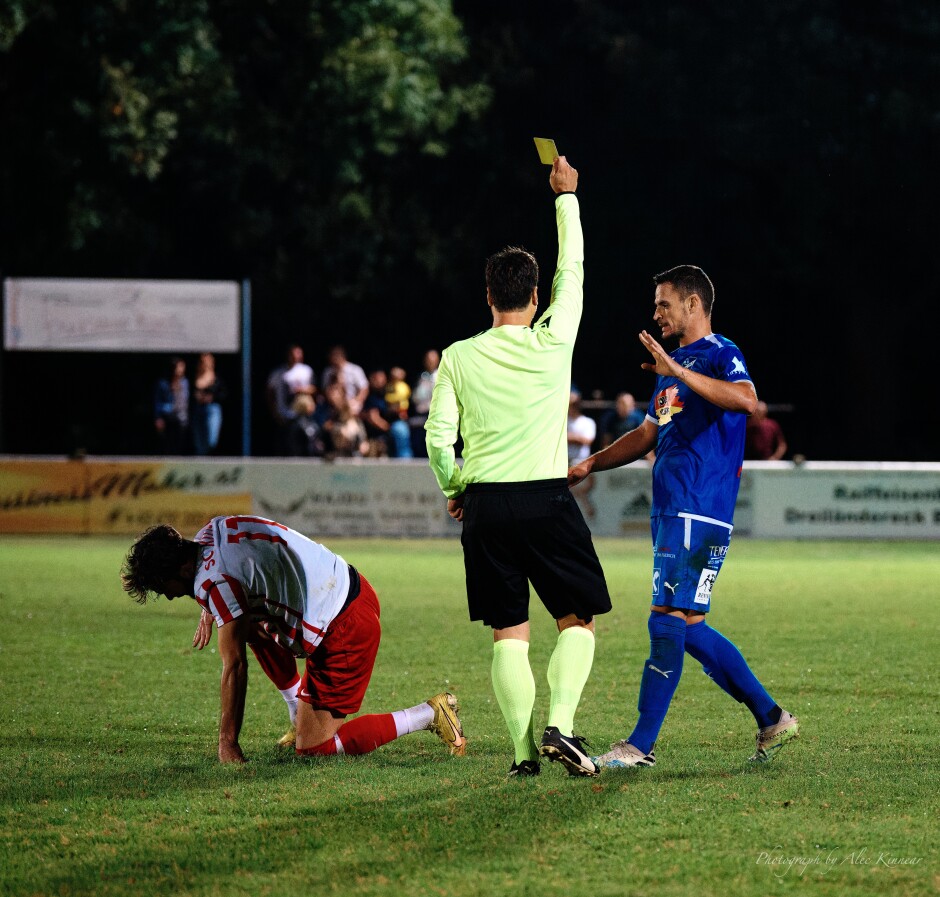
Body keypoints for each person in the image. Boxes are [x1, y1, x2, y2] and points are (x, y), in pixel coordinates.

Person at [568, 265, 799, 770]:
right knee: (688, 624)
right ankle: (771, 717)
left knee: (665, 620)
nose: (656, 313)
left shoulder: (720, 353)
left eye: (663, 304)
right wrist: (591, 463)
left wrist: (680, 372)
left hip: (699, 505)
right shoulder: (676, 365)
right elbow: (648, 434)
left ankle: (638, 746)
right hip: (674, 506)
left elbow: (747, 401)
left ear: (693, 304)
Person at [425, 156, 611, 778]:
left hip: (485, 508)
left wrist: (457, 487)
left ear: (487, 296)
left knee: (510, 632)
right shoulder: (553, 339)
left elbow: (436, 437)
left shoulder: (456, 356)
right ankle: (560, 722)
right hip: (545, 500)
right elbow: (575, 272)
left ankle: (523, 755)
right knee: (577, 618)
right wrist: (567, 199)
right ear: (536, 297)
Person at [120, 516, 466, 763]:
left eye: (162, 587)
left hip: (344, 628)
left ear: (181, 570)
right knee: (248, 624)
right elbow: (231, 568)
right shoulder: (209, 532)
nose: (166, 596)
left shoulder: (216, 584)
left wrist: (227, 742)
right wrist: (211, 605)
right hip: (345, 591)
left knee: (314, 750)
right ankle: (295, 712)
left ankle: (428, 714)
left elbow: (234, 668)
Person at [266, 344, 316, 455]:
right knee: (284, 446)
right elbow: (270, 393)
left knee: (304, 444)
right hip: (283, 414)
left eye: (298, 354)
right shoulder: (278, 373)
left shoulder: (306, 371)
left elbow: (314, 389)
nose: (295, 357)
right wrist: (275, 413)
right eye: (293, 354)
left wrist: (302, 390)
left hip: (301, 415)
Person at [191, 352, 226, 456]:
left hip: (212, 409)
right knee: (199, 442)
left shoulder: (216, 378)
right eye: (202, 362)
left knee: (211, 440)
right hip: (198, 409)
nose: (204, 364)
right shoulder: (194, 377)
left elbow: (223, 393)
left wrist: (211, 397)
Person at [154, 356, 190, 454]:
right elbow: (158, 402)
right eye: (179, 367)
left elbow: (185, 401)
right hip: (167, 416)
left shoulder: (185, 382)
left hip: (181, 418)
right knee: (166, 445)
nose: (181, 369)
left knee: (179, 444)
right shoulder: (163, 383)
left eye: (183, 367)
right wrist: (158, 418)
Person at [321, 345, 369, 416]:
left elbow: (364, 389)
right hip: (333, 403)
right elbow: (325, 390)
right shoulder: (328, 372)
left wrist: (356, 400)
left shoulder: (355, 370)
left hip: (352, 401)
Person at [409, 349, 440, 457]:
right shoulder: (421, 377)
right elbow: (415, 398)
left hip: (436, 415)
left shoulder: (442, 376)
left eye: (432, 360)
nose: (429, 362)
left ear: (437, 361)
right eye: (427, 360)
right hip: (421, 415)